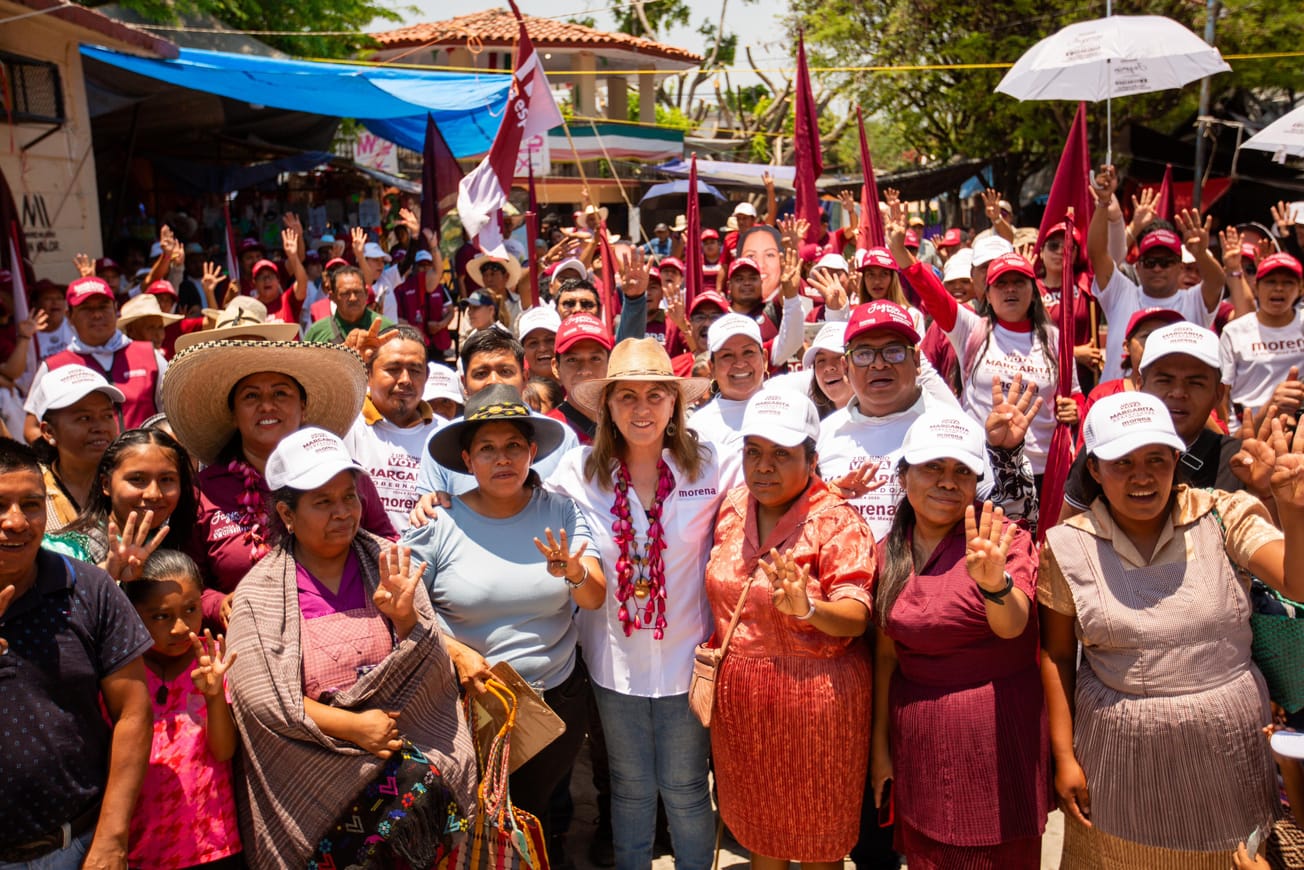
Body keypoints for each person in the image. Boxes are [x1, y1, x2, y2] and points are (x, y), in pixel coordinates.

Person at [1039, 390, 1304, 868]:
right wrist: (1064, 756)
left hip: (1228, 763)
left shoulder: (1222, 514)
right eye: (1122, 462)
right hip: (1117, 766)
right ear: (1094, 468)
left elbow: (1296, 581)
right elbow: (1057, 655)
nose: (1142, 476)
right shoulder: (1065, 546)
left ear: (1177, 460)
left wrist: (1294, 508)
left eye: (1157, 459)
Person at [225, 427, 478, 866]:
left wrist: (404, 618)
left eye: (350, 496)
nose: (343, 512)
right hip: (312, 786)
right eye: (323, 502)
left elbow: (429, 671)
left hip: (404, 779)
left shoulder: (390, 563)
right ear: (287, 514)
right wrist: (353, 727)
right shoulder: (258, 594)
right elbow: (260, 700)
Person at [546, 338, 721, 870]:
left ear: (674, 403)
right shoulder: (577, 472)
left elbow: (768, 496)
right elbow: (516, 499)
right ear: (607, 407)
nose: (641, 409)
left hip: (686, 660)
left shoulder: (709, 466)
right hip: (612, 661)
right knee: (629, 789)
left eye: (654, 396)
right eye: (626, 397)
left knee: (688, 789)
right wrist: (438, 498)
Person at [402, 384, 606, 836]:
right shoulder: (438, 520)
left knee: (531, 821)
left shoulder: (562, 512)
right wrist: (456, 653)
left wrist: (573, 571)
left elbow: (594, 596)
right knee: (468, 826)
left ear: (532, 452)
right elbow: (404, 610)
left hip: (552, 702)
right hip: (465, 705)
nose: (503, 459)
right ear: (467, 461)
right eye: (488, 449)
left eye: (514, 446)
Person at [871, 410, 1049, 867]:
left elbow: (1013, 624)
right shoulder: (887, 551)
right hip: (920, 740)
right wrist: (880, 750)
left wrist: (994, 583)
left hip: (998, 736)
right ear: (905, 474)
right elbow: (888, 656)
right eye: (933, 467)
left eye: (961, 471)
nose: (947, 482)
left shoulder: (1002, 539)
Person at [705, 390, 875, 868]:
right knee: (761, 834)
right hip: (742, 702)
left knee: (818, 836)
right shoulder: (734, 507)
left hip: (818, 704)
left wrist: (808, 609)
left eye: (782, 454)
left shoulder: (836, 521)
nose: (763, 466)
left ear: (812, 459)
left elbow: (856, 613)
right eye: (753, 452)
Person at [161, 339, 395, 626]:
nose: (267, 406)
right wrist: (216, 604)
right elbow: (185, 578)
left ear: (303, 406)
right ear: (233, 414)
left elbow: (387, 544)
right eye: (251, 397)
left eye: (281, 394)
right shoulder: (204, 491)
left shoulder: (346, 476)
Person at [0, 437, 154, 869]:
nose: (16, 522)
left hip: (76, 848)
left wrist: (111, 838)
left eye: (30, 505)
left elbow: (133, 712)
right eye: (0, 504)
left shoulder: (88, 588)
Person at [901, 248, 1081, 478]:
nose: (1010, 289)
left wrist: (1074, 408)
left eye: (1019, 282)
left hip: (1043, 469)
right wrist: (902, 254)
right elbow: (933, 293)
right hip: (984, 467)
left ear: (1034, 292)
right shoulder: (971, 329)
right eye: (1000, 283)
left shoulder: (1055, 340)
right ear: (986, 293)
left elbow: (1075, 394)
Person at [120, 550, 242, 869]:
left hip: (212, 844)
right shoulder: (122, 673)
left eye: (190, 610)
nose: (179, 627)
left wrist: (215, 696)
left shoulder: (213, 661)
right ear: (133, 613)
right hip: (141, 848)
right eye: (161, 616)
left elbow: (225, 750)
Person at [1061, 322, 1249, 516]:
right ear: (1140, 385)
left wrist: (1268, 493)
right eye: (1164, 380)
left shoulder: (1240, 463)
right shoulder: (1104, 450)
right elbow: (1062, 540)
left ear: (1218, 394)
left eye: (1195, 383)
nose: (1178, 393)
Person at [1087, 166, 1226, 383]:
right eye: (1151, 262)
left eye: (1166, 262)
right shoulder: (1122, 293)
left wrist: (1200, 254)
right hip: (1118, 403)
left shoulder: (1193, 301)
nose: (1158, 269)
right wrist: (1103, 204)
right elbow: (1097, 253)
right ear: (1138, 267)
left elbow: (1217, 282)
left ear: (1180, 267)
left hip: (1174, 408)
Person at [414, 329, 580, 500]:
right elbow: (430, 510)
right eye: (481, 374)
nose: (494, 381)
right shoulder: (441, 441)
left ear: (525, 378)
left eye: (505, 372)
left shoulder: (563, 439)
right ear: (464, 384)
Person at [24, 276, 168, 440]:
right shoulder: (54, 367)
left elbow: (174, 415)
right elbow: (32, 428)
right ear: (69, 315)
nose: (97, 315)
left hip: (146, 462)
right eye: (86, 308)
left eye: (103, 306)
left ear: (115, 309)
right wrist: (62, 460)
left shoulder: (150, 356)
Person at [43, 428, 197, 578]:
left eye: (167, 480)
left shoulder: (187, 542)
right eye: (137, 479)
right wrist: (105, 577)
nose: (154, 494)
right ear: (106, 484)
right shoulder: (65, 551)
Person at [342, 326, 443, 532]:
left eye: (415, 370)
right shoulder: (344, 425)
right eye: (393, 369)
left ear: (427, 376)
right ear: (368, 374)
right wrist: (341, 363)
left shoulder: (445, 434)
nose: (405, 380)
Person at [27, 364, 124, 532]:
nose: (100, 427)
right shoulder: (32, 491)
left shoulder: (131, 483)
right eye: (84, 418)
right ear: (49, 432)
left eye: (107, 416)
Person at [1220, 253, 1304, 431]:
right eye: (1270, 281)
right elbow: (1222, 394)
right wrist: (1225, 439)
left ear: (1300, 289)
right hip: (1249, 429)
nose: (1279, 288)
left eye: (1288, 282)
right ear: (1256, 288)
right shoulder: (1234, 331)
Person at [546, 313, 614, 445]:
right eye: (572, 360)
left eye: (595, 359)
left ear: (610, 364)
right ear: (556, 367)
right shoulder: (548, 432)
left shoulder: (626, 425)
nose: (585, 371)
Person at [303, 265, 396, 345]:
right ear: (332, 297)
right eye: (345, 293)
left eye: (358, 292)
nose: (353, 298)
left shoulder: (387, 330)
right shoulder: (317, 332)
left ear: (366, 293)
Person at [116, 294, 183, 351]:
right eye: (151, 328)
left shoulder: (163, 361)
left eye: (160, 327)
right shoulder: (122, 362)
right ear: (131, 330)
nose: (158, 335)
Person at [517, 305, 562, 381]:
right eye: (533, 343)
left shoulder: (578, 388)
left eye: (550, 340)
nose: (542, 349)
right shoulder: (515, 391)